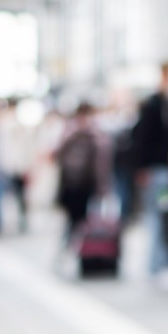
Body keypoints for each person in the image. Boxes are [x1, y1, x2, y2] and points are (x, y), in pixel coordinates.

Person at [132, 62, 168, 276]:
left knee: (164, 215)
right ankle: (156, 265)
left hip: (166, 171)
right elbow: (141, 139)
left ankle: (160, 263)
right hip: (157, 171)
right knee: (158, 216)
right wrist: (142, 168)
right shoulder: (154, 105)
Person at [54, 102, 111, 243]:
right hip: (77, 183)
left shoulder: (75, 132)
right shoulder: (91, 133)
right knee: (77, 218)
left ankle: (77, 247)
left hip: (81, 182)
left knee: (81, 219)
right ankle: (73, 245)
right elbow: (103, 163)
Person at [0, 97, 38, 232]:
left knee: (18, 195)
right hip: (10, 164)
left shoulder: (17, 124)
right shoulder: (4, 123)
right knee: (9, 196)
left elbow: (26, 146)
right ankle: (14, 220)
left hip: (17, 165)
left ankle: (21, 220)